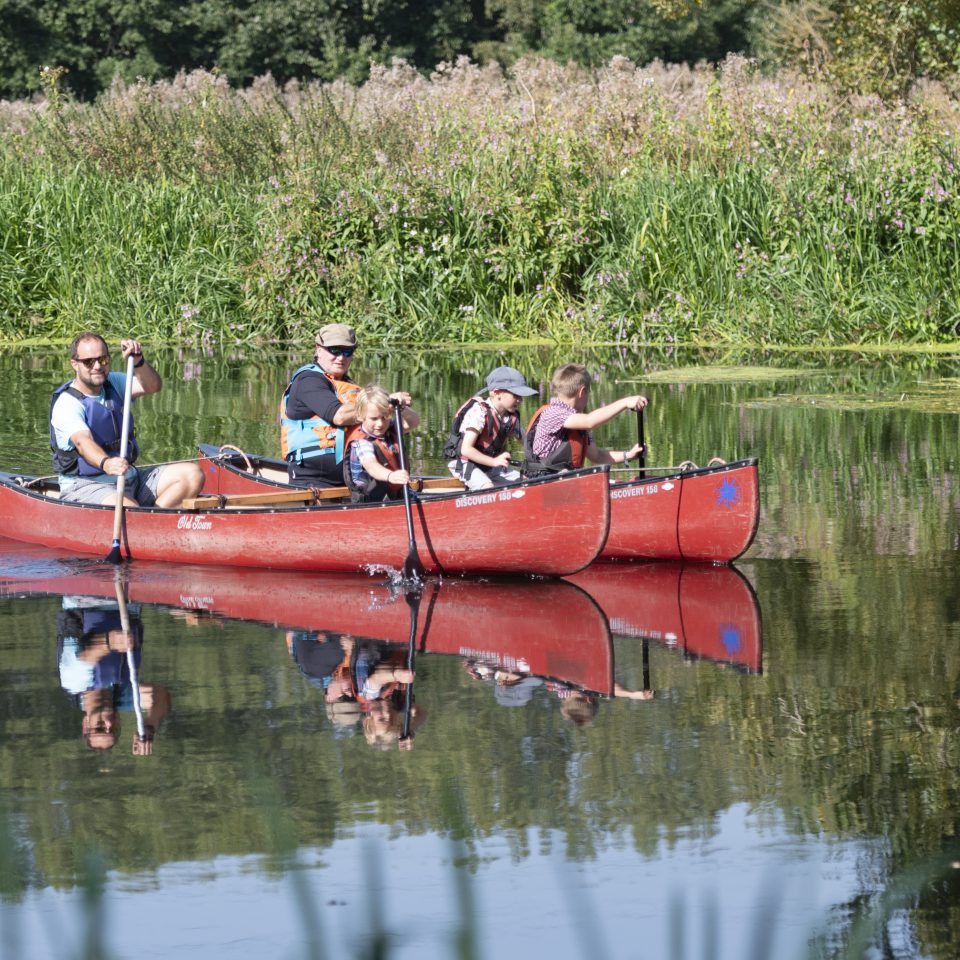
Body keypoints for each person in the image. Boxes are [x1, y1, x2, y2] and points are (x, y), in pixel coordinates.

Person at [49, 332, 204, 507]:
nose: (98, 366)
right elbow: (82, 442)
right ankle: (147, 522)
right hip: (87, 486)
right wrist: (106, 463)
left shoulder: (114, 382)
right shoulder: (67, 404)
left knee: (192, 475)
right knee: (128, 506)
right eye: (89, 362)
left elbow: (153, 386)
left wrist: (138, 361)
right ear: (75, 364)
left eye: (103, 359)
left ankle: (152, 520)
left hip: (130, 479)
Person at [280, 324, 418, 489]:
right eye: (335, 350)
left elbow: (405, 425)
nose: (341, 357)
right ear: (318, 349)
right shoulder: (307, 381)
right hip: (314, 480)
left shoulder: (349, 386)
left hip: (357, 478)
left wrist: (398, 407)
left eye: (348, 352)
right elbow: (339, 416)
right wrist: (385, 401)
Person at [58, 597, 172, 755]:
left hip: (84, 600)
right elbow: (160, 696)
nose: (108, 722)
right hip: (128, 604)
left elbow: (88, 655)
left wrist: (110, 642)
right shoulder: (121, 698)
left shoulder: (74, 684)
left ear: (86, 724)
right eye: (113, 728)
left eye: (99, 727)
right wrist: (149, 727)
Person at [524, 362, 648, 474]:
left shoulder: (575, 421)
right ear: (582, 392)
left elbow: (597, 457)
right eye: (588, 393)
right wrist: (626, 402)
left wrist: (629, 455)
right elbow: (590, 421)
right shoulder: (553, 413)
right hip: (543, 484)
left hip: (566, 486)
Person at [443, 365, 537, 490]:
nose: (520, 400)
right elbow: (466, 450)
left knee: (526, 482)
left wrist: (540, 459)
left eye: (521, 396)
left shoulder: (510, 416)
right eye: (516, 395)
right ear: (497, 393)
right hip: (465, 463)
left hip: (490, 465)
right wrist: (493, 462)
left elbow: (527, 442)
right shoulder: (479, 413)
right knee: (488, 487)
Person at [343, 385, 416, 503]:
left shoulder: (390, 429)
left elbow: (413, 422)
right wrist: (390, 476)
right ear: (361, 416)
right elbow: (371, 466)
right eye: (374, 418)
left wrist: (401, 408)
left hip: (396, 497)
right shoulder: (362, 442)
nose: (380, 424)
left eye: (385, 417)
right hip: (370, 502)